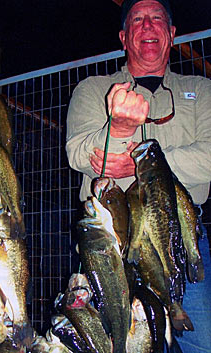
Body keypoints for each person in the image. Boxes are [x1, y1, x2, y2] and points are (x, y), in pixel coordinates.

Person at [65, 0, 211, 352]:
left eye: (157, 19)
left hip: (181, 239)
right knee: (120, 340)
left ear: (172, 34)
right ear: (124, 37)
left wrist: (146, 165)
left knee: (203, 343)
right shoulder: (93, 89)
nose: (148, 26)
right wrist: (121, 125)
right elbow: (78, 153)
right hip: (110, 245)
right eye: (138, 20)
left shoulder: (202, 90)